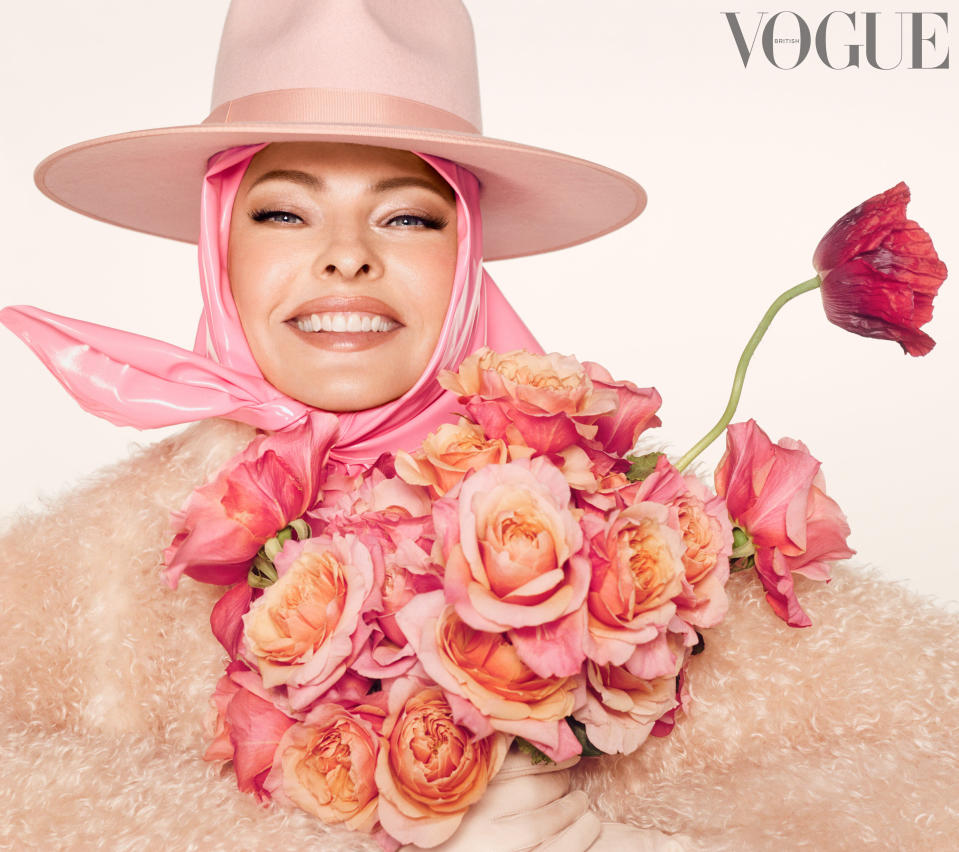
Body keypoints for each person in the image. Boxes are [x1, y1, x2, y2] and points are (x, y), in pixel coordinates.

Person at [2, 2, 958, 851]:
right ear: (222, 245)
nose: (346, 260)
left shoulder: (633, 532)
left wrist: (650, 845)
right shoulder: (87, 559)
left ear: (467, 254)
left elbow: (931, 741)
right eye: (286, 212)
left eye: (408, 220)